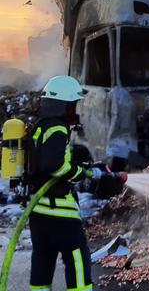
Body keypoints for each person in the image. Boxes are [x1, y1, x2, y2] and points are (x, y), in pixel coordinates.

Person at [29, 76, 126, 291]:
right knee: (77, 260)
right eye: (73, 104)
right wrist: (80, 173)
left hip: (39, 212)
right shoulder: (58, 128)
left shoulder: (41, 127)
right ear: (63, 105)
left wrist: (84, 165)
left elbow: (50, 159)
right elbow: (55, 165)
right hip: (60, 214)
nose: (75, 110)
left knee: (42, 262)